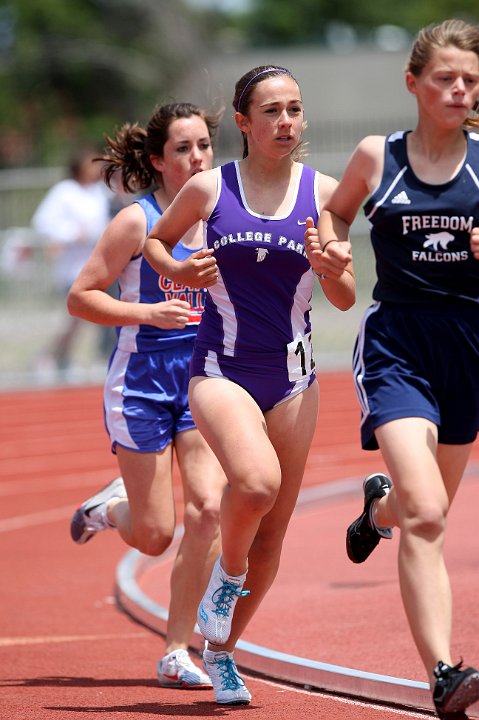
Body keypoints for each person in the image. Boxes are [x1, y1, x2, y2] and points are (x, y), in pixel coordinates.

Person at [143, 66, 355, 705]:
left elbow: (343, 296)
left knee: (274, 533)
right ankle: (223, 582)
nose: (286, 122)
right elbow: (156, 242)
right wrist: (180, 267)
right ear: (243, 122)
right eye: (271, 111)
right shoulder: (209, 189)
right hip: (220, 369)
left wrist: (332, 268)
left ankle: (225, 652)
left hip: (294, 377)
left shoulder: (324, 194)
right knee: (255, 483)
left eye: (294, 110)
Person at [306, 19, 479, 720]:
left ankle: (377, 509)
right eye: (444, 77)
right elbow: (332, 213)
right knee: (430, 517)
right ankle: (443, 674)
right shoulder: (378, 156)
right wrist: (330, 252)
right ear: (412, 83)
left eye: (468, 79)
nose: (458, 89)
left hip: (468, 345)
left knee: (415, 509)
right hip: (396, 344)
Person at [66, 102, 227, 689]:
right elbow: (81, 296)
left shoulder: (224, 214)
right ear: (159, 160)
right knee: (156, 534)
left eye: (205, 145)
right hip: (142, 382)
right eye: (183, 149)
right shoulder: (138, 222)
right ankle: (108, 508)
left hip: (204, 377)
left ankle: (178, 649)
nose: (197, 158)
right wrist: (146, 313)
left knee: (209, 508)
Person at [31, 147, 113, 375]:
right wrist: (71, 233)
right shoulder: (64, 191)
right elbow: (42, 222)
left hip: (99, 266)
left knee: (94, 317)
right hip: (72, 267)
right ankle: (51, 355)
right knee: (74, 318)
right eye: (90, 163)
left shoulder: (99, 192)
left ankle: (77, 357)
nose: (95, 168)